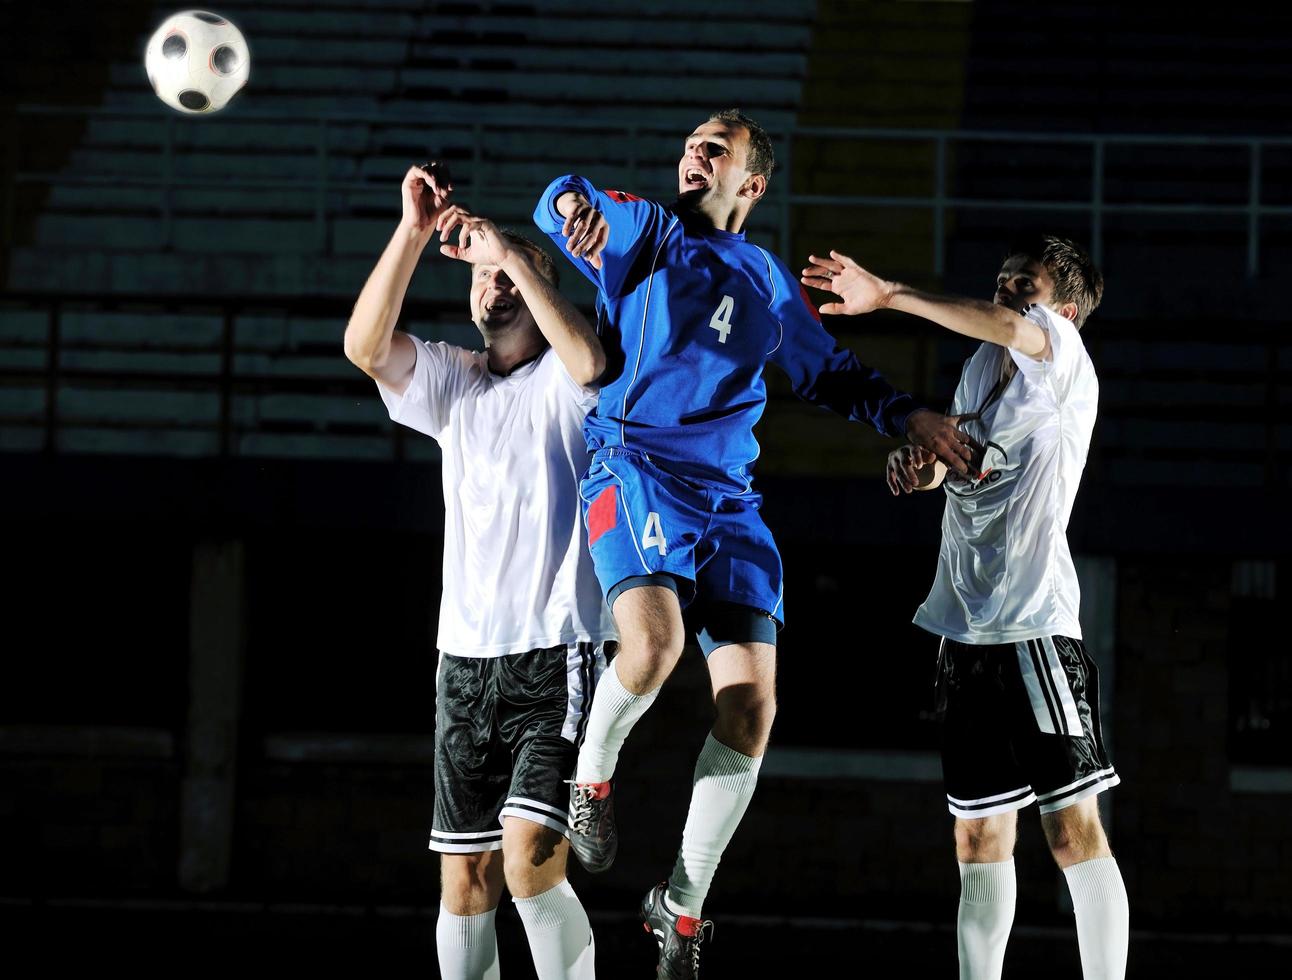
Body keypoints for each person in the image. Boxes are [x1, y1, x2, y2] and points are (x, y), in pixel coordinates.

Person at [532, 109, 980, 978]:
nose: (695, 155)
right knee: (654, 650)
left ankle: (681, 909)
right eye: (692, 143)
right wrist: (566, 209)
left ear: (754, 182)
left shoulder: (769, 279)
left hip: (730, 505)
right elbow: (573, 202)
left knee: (752, 709)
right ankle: (590, 781)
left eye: (717, 149)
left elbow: (833, 373)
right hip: (636, 470)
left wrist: (914, 413)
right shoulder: (650, 234)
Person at [802, 238, 1128, 980]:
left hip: (1035, 628)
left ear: (1066, 310)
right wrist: (914, 470)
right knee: (977, 840)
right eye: (1003, 276)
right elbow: (960, 461)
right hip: (964, 630)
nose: (1009, 288)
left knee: (1073, 833)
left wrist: (886, 293)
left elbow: (1008, 324)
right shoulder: (984, 368)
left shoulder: (1061, 355)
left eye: (1028, 283)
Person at [344, 162, 616, 980]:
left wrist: (514, 253)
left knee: (531, 859)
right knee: (464, 879)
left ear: (539, 282)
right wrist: (414, 231)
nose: (492, 285)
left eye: (509, 272)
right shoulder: (456, 382)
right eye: (483, 274)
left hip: (556, 652)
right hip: (461, 663)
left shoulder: (568, 381)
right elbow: (364, 347)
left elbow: (591, 364)